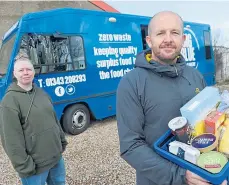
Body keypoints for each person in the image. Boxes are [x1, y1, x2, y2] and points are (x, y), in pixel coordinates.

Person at [116, 11, 227, 185]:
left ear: (183, 40)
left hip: (204, 174)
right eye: (160, 33)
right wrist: (181, 176)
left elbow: (210, 120)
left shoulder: (195, 76)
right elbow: (131, 146)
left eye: (174, 33)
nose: (168, 39)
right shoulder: (132, 83)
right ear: (149, 40)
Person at [0, 52, 68, 185]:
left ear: (33, 72)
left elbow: (53, 119)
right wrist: (24, 166)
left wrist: (61, 141)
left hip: (56, 158)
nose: (25, 72)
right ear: (14, 74)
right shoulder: (9, 101)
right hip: (35, 167)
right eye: (21, 70)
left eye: (29, 69)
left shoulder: (41, 93)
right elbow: (11, 139)